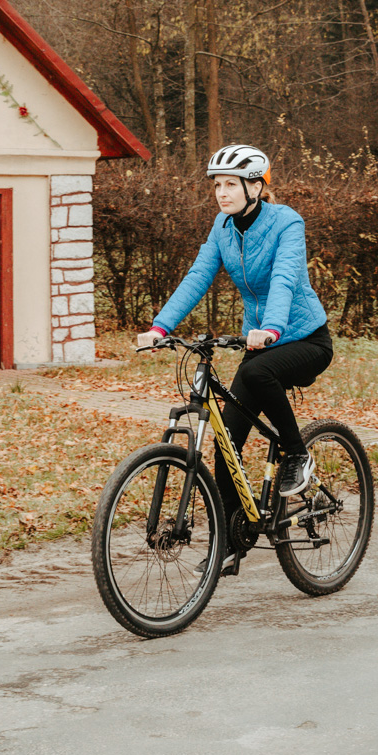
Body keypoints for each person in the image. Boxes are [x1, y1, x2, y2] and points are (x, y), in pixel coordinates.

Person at [136, 143, 333, 505]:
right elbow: (198, 276)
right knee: (226, 442)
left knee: (259, 375)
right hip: (260, 342)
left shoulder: (286, 221)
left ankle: (297, 455)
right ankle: (229, 547)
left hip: (304, 339)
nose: (221, 193)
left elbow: (284, 278)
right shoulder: (223, 226)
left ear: (255, 187)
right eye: (217, 185)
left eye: (231, 184)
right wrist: (160, 327)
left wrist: (273, 327)